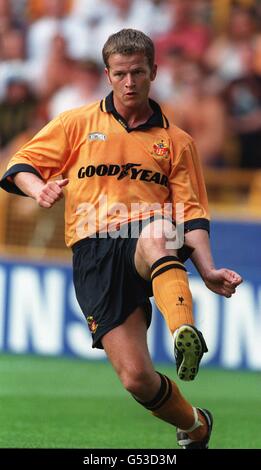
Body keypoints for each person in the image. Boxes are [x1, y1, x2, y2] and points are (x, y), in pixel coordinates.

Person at [0, 28, 242, 449]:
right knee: (136, 378)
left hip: (145, 234)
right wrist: (38, 189)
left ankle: (185, 333)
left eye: (138, 73)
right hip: (92, 251)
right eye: (120, 74)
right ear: (108, 75)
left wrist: (206, 268)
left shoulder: (176, 142)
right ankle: (196, 424)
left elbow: (191, 214)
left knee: (156, 233)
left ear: (153, 72)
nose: (129, 83)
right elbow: (19, 163)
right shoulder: (76, 123)